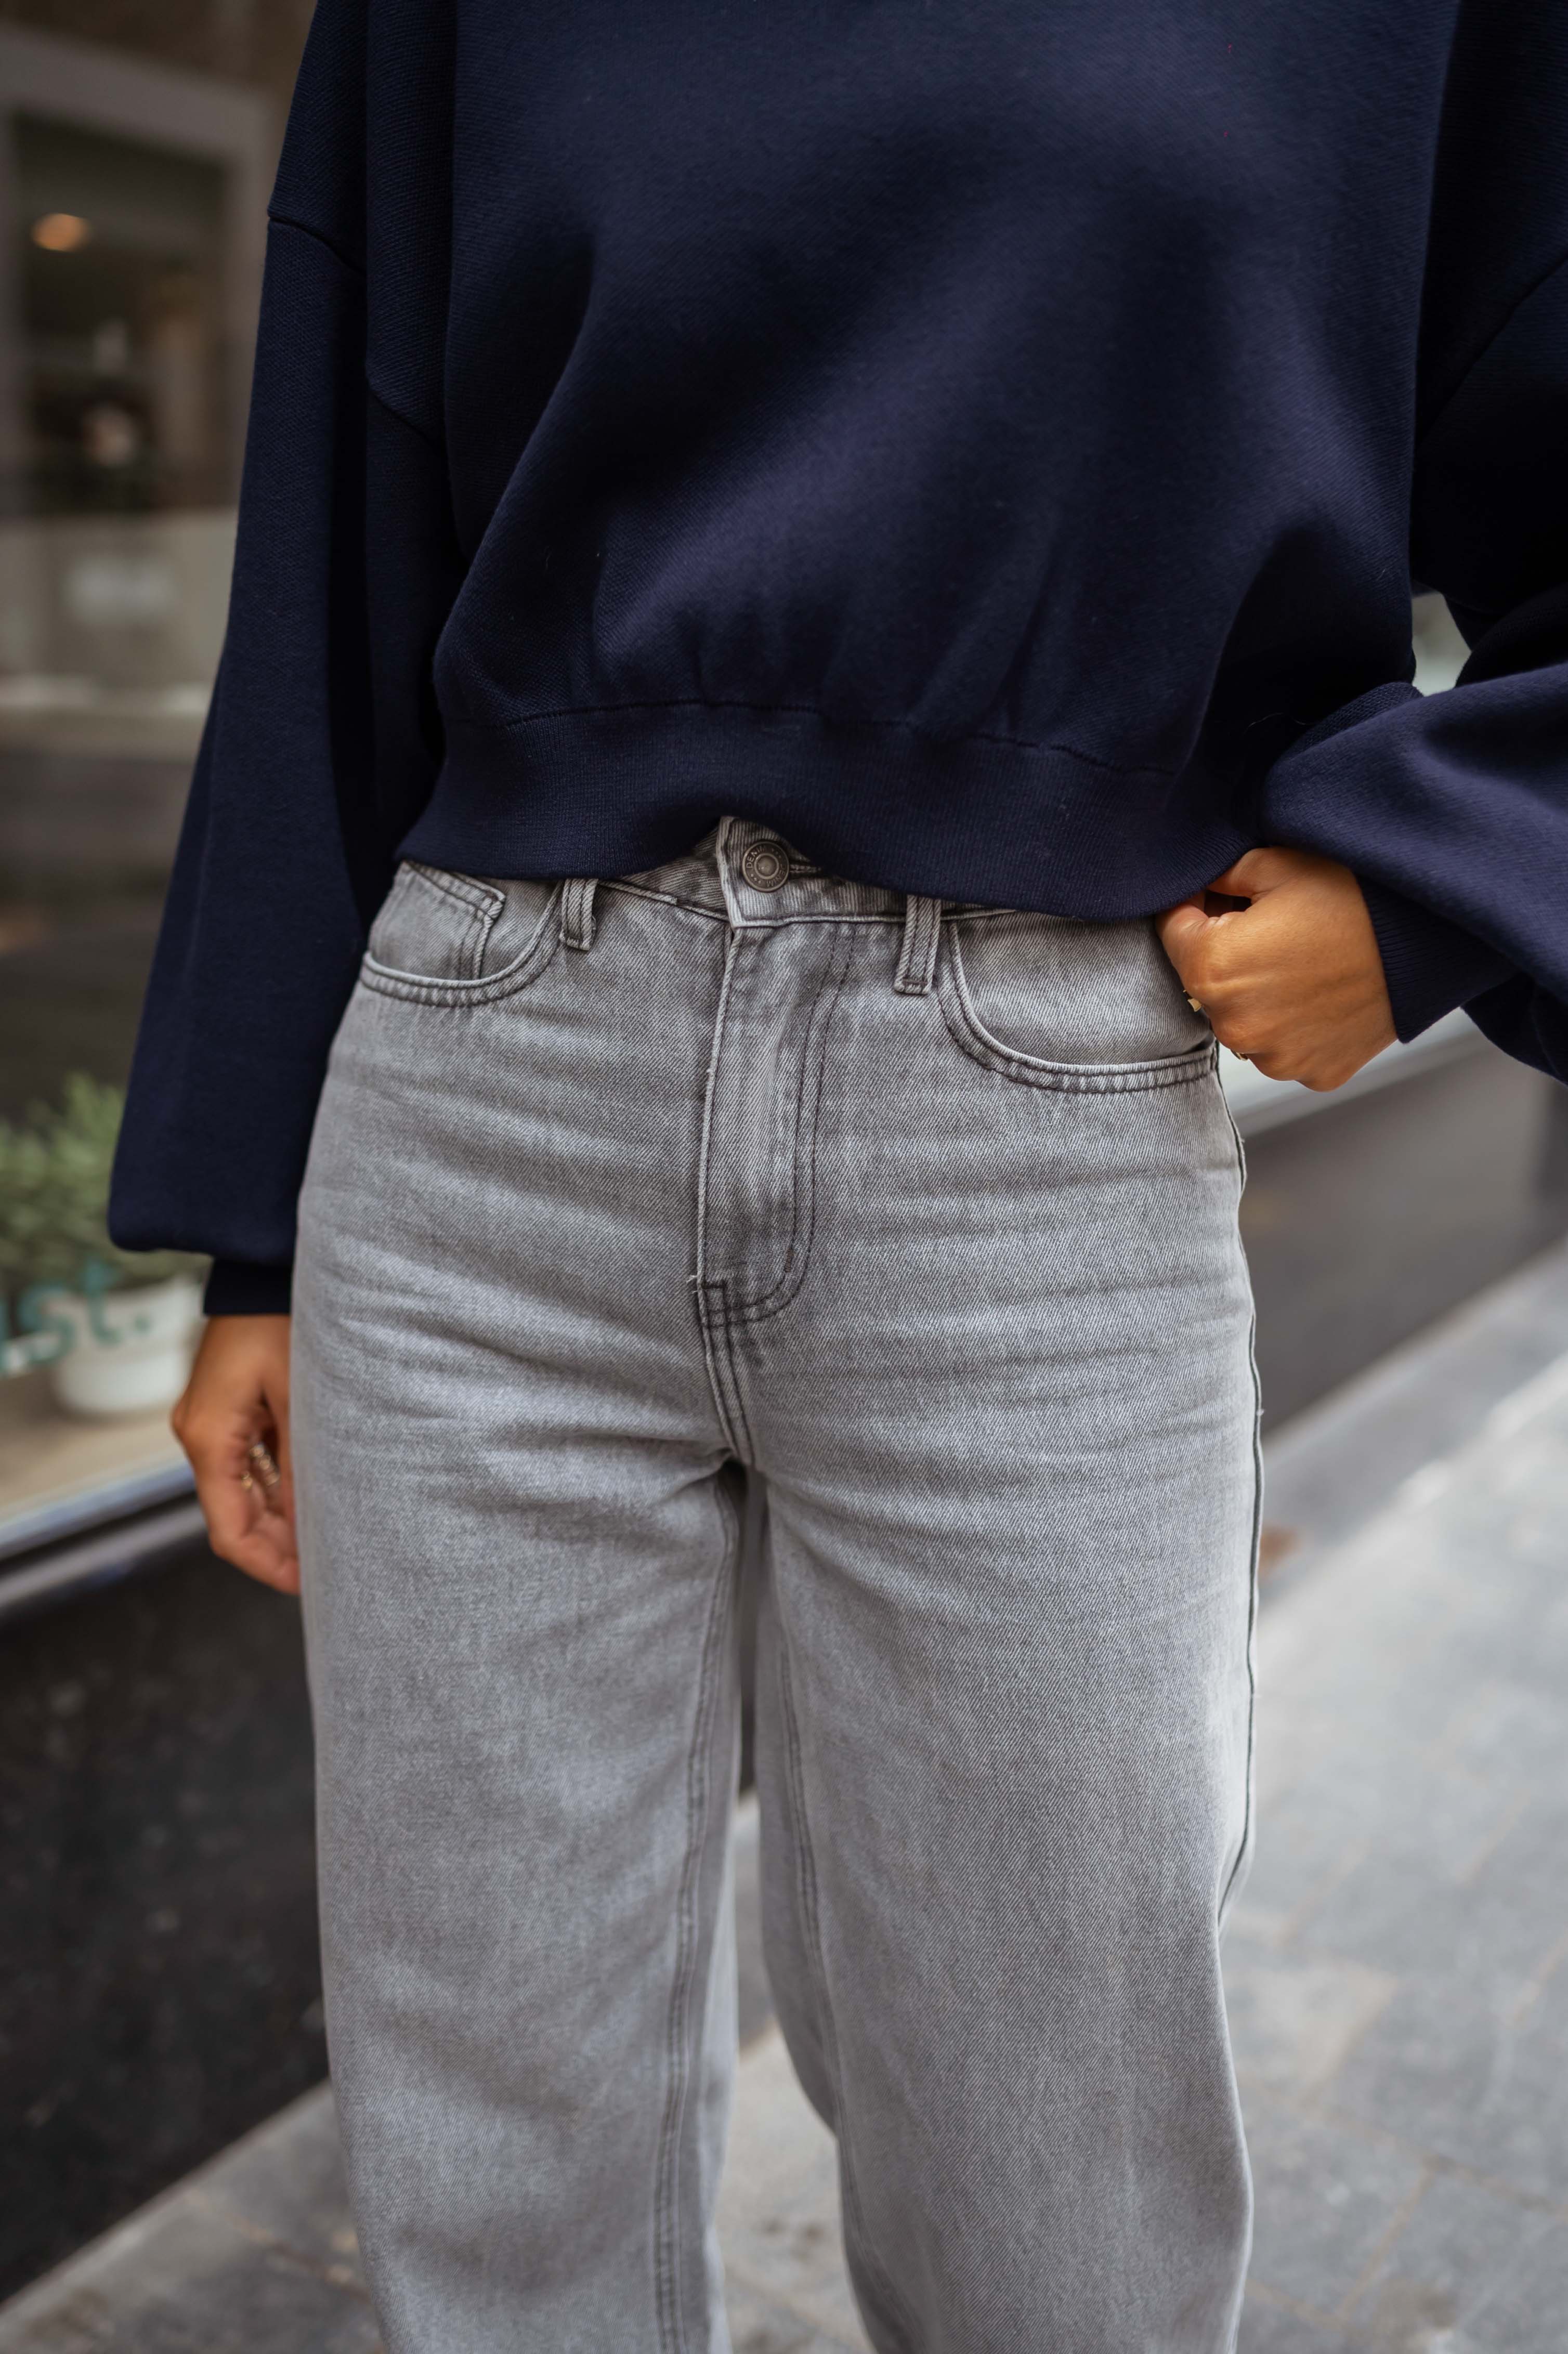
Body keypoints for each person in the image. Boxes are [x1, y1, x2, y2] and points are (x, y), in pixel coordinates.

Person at [112, 2, 1567, 2346]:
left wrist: (1441, 889)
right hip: (485, 1100)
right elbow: (338, 546)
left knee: (1058, 2195)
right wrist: (254, 1235)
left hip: (1034, 1135)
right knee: (492, 2184)